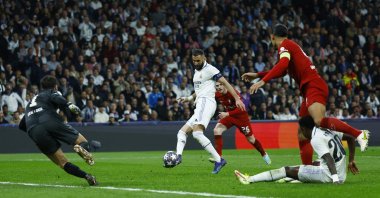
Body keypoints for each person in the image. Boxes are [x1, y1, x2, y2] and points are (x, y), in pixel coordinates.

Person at [242, 24, 369, 165]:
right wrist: (257, 75)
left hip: (313, 86)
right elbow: (283, 70)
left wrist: (262, 81)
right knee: (303, 132)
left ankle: (358, 134)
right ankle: (307, 169)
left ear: (272, 37)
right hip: (309, 89)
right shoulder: (289, 46)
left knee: (319, 121)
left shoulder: (285, 45)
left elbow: (282, 65)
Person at [166, 48, 246, 174]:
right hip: (200, 103)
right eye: (194, 61)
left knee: (197, 133)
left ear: (204, 58)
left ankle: (219, 160)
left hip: (206, 102)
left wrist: (236, 98)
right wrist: (188, 98)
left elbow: (226, 83)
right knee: (181, 133)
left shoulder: (210, 69)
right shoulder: (196, 72)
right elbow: (199, 90)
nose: (196, 63)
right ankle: (178, 157)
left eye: (198, 60)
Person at [18, 75, 99, 186]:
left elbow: (22, 125)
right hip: (50, 120)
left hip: (33, 130)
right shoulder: (51, 92)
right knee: (82, 141)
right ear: (55, 86)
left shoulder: (30, 103)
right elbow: (57, 98)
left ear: (42, 86)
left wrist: (36, 134)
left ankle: (87, 176)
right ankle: (80, 148)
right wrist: (68, 104)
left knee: (62, 162)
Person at [234, 115, 358, 184]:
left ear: (304, 129)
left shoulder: (315, 139)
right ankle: (290, 179)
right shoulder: (326, 129)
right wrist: (351, 160)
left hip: (329, 176)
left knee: (286, 169)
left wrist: (335, 180)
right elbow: (351, 138)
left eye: (300, 130)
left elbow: (329, 158)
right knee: (314, 163)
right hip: (341, 174)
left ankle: (249, 179)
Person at [210, 81, 271, 165]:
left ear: (225, 85)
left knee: (251, 139)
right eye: (217, 86)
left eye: (221, 85)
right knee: (217, 130)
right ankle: (219, 157)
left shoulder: (233, 92)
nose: (219, 87)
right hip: (229, 117)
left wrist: (227, 113)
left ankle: (264, 154)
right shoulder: (217, 94)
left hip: (241, 117)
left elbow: (242, 107)